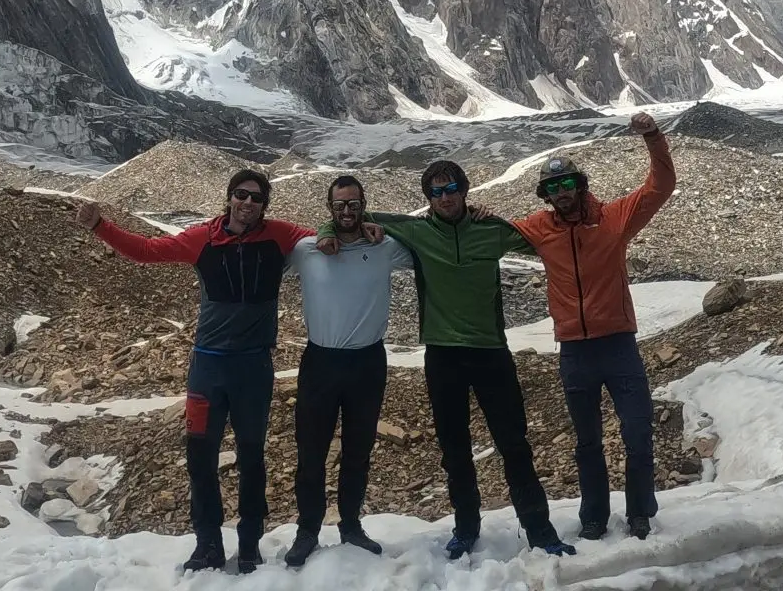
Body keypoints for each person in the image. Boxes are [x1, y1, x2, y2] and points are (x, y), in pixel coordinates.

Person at [75, 169, 379, 575]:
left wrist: (367, 224)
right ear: (230, 197)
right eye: (241, 195)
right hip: (208, 367)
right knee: (200, 458)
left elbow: (329, 230)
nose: (248, 203)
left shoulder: (279, 234)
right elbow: (147, 250)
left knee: (252, 459)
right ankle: (208, 545)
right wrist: (100, 226)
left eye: (256, 198)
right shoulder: (202, 238)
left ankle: (250, 545)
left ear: (264, 205)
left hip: (253, 367)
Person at [316, 161, 576, 560]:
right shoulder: (417, 231)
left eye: (451, 188)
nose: (445, 197)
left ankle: (539, 530)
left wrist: (500, 214)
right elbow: (350, 215)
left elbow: (546, 235)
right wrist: (327, 230)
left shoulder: (491, 230)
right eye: (436, 192)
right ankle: (466, 528)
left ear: (465, 190)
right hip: (442, 355)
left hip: (491, 351)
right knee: (454, 449)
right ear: (428, 198)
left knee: (514, 445)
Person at [506, 111, 675, 541]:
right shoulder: (539, 228)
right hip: (575, 352)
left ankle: (640, 510)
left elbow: (660, 187)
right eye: (552, 188)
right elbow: (490, 234)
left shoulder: (614, 219)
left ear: (580, 185)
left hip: (618, 344)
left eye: (567, 185)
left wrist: (653, 137)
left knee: (638, 433)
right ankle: (593, 517)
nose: (561, 194)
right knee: (587, 444)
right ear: (546, 195)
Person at [281, 175, 414, 569]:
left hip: (367, 362)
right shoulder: (307, 250)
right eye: (339, 205)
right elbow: (265, 249)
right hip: (320, 361)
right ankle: (308, 530)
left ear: (364, 205)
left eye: (354, 204)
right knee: (311, 451)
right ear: (329, 209)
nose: (346, 211)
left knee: (358, 450)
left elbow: (426, 233)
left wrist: (382, 223)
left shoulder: (384, 246)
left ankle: (351, 524)